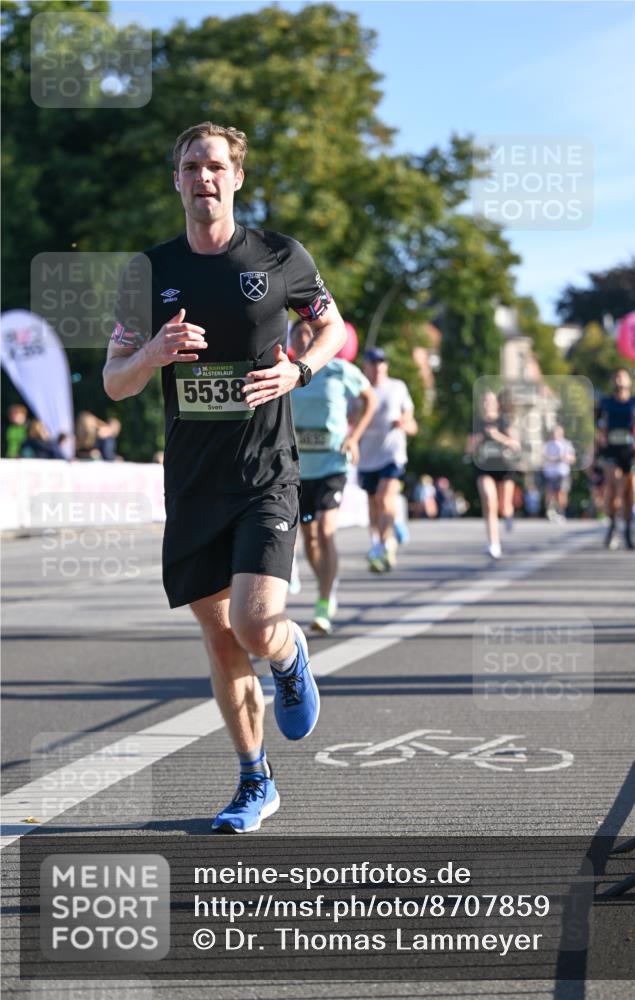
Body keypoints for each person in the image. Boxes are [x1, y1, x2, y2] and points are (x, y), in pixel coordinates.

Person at [103, 122, 346, 834]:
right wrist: (154, 350)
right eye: (189, 166)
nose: (202, 177)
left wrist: (299, 368)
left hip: (266, 471)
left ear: (236, 177)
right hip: (192, 481)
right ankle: (254, 783)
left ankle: (288, 651)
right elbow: (117, 383)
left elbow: (330, 327)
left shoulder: (278, 255)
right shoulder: (148, 273)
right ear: (175, 180)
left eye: (215, 165)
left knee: (252, 622)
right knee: (217, 641)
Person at [289, 319, 376, 634]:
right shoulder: (288, 371)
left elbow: (370, 399)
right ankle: (327, 578)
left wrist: (354, 437)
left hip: (332, 465)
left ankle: (325, 600)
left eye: (308, 333)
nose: (303, 338)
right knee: (309, 536)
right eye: (297, 334)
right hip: (300, 469)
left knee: (326, 531)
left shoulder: (339, 369)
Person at [358, 348, 417, 572]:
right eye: (373, 363)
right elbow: (350, 420)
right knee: (374, 504)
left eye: (381, 362)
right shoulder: (359, 391)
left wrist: (404, 424)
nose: (378, 367)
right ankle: (380, 540)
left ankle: (384, 545)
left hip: (393, 454)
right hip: (367, 456)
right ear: (365, 366)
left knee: (384, 497)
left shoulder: (398, 388)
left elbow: (413, 425)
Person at [597, 368, 635, 550]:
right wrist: (600, 435)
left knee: (630, 492)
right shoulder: (606, 402)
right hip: (612, 449)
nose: (619, 380)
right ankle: (612, 527)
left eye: (622, 376)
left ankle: (627, 530)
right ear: (613, 382)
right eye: (616, 377)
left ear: (629, 380)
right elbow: (595, 423)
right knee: (613, 490)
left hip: (631, 451)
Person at [467, 389, 521, 559]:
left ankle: (509, 515)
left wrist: (498, 436)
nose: (486, 404)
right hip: (484, 468)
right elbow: (467, 450)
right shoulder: (477, 422)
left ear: (496, 403)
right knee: (489, 503)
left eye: (490, 400)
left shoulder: (504, 421)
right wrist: (474, 443)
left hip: (504, 468)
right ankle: (493, 543)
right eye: (484, 401)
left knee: (504, 508)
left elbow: (515, 445)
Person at [542, 424, 576, 522]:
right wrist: (553, 458)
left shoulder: (567, 444)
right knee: (550, 493)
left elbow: (573, 459)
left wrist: (565, 457)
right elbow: (544, 457)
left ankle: (561, 512)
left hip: (562, 472)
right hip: (550, 473)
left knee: (562, 493)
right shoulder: (548, 444)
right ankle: (550, 511)